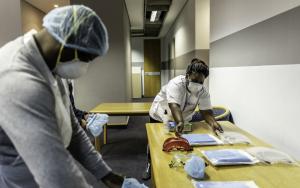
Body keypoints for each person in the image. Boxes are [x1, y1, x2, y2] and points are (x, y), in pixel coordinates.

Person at [0, 5, 142, 188]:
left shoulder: (50, 65)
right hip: (25, 179)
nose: (85, 67)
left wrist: (108, 175)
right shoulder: (20, 81)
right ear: (65, 43)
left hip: (50, 166)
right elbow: (57, 175)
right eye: (86, 59)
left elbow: (73, 128)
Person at [142, 58, 224, 180]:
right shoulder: (176, 84)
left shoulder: (203, 92)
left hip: (182, 118)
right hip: (162, 114)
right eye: (194, 80)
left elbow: (206, 112)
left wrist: (213, 123)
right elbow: (174, 105)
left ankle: (176, 166)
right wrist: (179, 121)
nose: (197, 85)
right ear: (187, 75)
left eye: (200, 82)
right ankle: (149, 164)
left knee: (180, 143)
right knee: (156, 143)